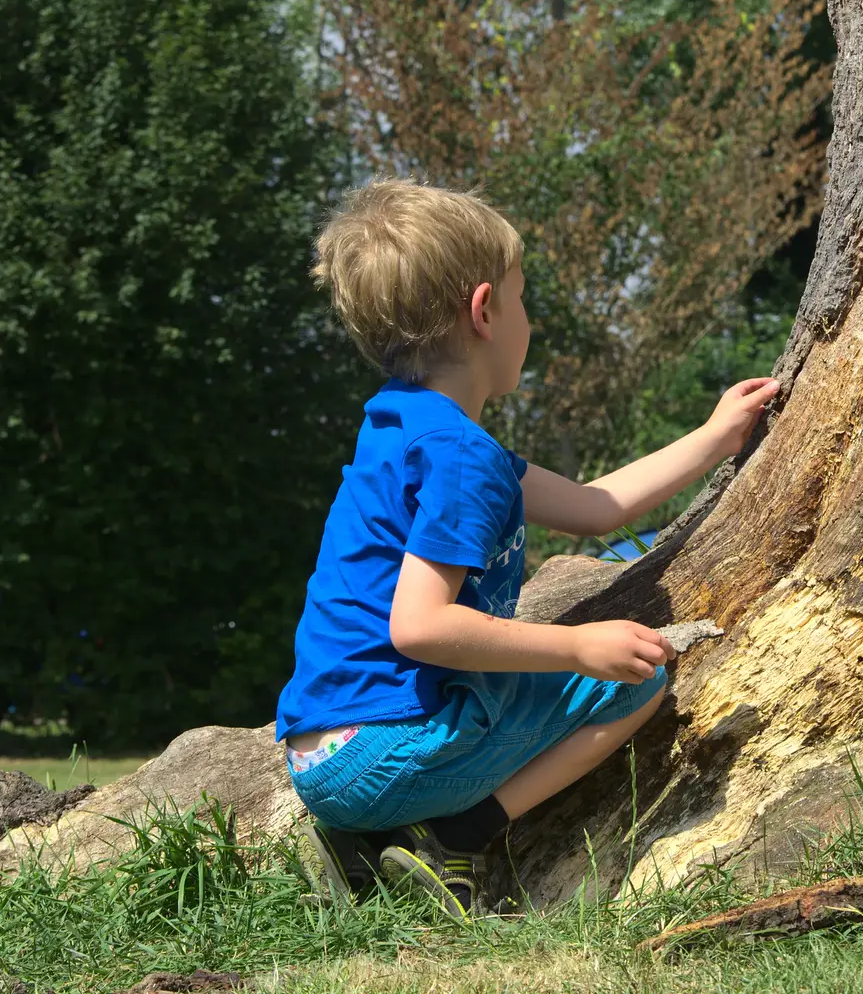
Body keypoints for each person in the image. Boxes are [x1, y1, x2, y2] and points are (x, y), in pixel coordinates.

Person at [276, 179, 779, 916]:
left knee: (523, 683)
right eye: (523, 299)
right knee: (632, 683)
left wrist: (712, 438)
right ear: (485, 311)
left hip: (320, 756)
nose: (528, 320)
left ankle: (356, 842)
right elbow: (420, 627)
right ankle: (451, 837)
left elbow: (594, 506)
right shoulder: (460, 457)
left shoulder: (403, 426)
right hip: (381, 751)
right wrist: (576, 649)